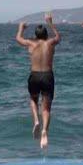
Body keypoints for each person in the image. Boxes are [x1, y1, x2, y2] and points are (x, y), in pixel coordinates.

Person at [16, 13, 60, 148]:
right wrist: (51, 22)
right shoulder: (50, 43)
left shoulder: (31, 43)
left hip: (34, 76)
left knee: (33, 100)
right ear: (46, 35)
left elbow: (18, 38)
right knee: (46, 108)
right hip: (47, 76)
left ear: (35, 35)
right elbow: (58, 37)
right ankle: (44, 131)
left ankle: (36, 120)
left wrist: (21, 28)